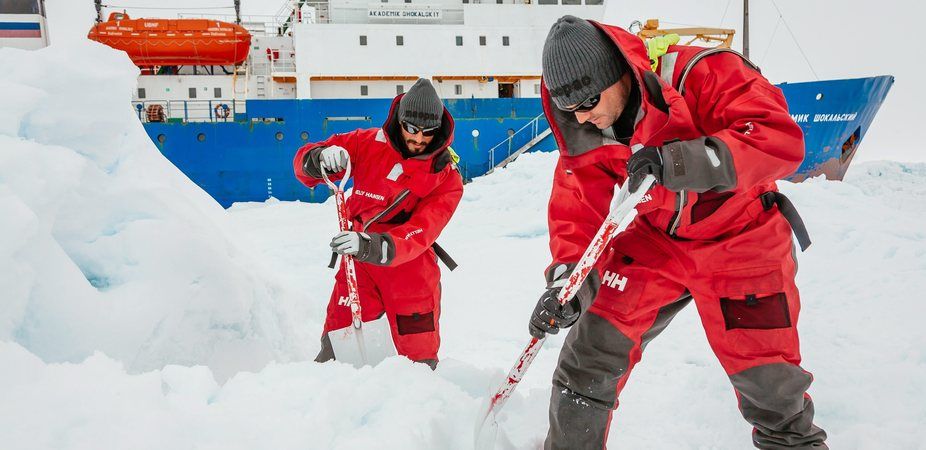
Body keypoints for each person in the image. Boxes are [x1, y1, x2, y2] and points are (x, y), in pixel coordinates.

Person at [529, 16, 827, 448]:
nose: (582, 115)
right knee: (588, 361)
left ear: (619, 75)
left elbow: (778, 139)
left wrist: (679, 162)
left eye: (588, 100)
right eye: (567, 107)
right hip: (655, 244)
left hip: (741, 237)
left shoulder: (703, 73)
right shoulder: (586, 129)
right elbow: (577, 214)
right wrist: (567, 283)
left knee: (771, 389)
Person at [293, 78, 463, 369]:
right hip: (358, 264)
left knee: (418, 360)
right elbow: (304, 167)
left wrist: (373, 246)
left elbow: (423, 230)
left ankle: (420, 407)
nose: (419, 138)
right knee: (338, 345)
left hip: (409, 269)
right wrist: (318, 157)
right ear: (399, 121)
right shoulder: (366, 144)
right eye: (411, 129)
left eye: (428, 133)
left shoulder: (447, 178)